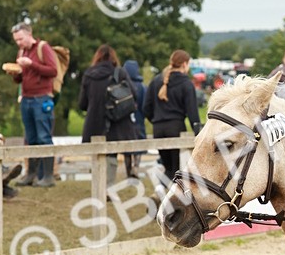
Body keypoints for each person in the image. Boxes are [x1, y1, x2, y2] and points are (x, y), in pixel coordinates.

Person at [7, 20, 58, 188]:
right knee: (30, 138)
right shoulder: (22, 52)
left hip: (41, 98)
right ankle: (31, 174)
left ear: (29, 34)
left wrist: (32, 65)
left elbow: (52, 71)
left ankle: (48, 176)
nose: (19, 43)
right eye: (16, 40)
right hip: (26, 98)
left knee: (44, 137)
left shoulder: (43, 48)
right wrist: (15, 74)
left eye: (20, 39)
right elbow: (21, 78)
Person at [78, 45, 139, 178]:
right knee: (112, 155)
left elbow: (82, 103)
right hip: (117, 121)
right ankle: (108, 186)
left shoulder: (88, 75)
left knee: (98, 154)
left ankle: (99, 185)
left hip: (95, 122)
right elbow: (134, 94)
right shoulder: (120, 72)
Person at [143, 50, 200, 182]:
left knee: (168, 168)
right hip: (176, 128)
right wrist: (198, 134)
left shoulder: (156, 81)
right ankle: (170, 198)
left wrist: (156, 120)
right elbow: (192, 113)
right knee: (177, 169)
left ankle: (161, 193)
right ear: (184, 64)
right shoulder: (186, 83)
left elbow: (146, 108)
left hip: (158, 129)